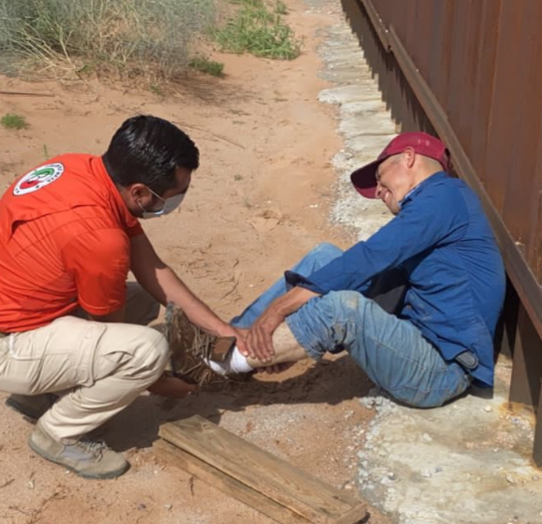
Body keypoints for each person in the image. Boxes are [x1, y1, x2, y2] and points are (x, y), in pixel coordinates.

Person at [0, 115, 233, 479]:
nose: (177, 200)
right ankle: (58, 434)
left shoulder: (79, 170)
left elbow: (152, 268)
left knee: (142, 300)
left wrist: (224, 330)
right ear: (138, 192)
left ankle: (35, 395)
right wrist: (163, 384)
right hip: (1, 351)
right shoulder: (100, 237)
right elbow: (112, 334)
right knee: (145, 351)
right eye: (174, 194)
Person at [170, 131, 505, 407]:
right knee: (325, 256)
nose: (377, 192)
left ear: (408, 157)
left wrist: (279, 311)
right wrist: (292, 338)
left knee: (342, 308)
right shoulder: (436, 207)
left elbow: (370, 257)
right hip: (408, 343)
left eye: (379, 176)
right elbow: (379, 284)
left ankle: (218, 364)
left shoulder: (444, 196)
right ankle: (229, 338)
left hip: (439, 371)